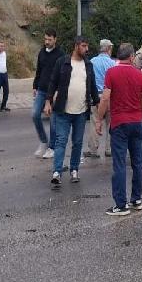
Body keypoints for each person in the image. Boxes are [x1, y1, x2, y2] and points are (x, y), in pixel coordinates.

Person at [96, 43, 142, 216]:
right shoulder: (140, 75)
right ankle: (137, 199)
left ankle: (121, 204)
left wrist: (98, 119)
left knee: (119, 164)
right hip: (136, 123)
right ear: (132, 57)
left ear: (118, 56)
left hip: (119, 124)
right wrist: (141, 118)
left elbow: (105, 99)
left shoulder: (111, 73)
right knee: (137, 163)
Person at [45, 36, 99, 187]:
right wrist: (48, 101)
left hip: (81, 112)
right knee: (61, 141)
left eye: (87, 46)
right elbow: (53, 82)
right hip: (63, 110)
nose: (86, 49)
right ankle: (57, 172)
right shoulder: (63, 62)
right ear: (76, 46)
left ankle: (74, 169)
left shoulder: (88, 65)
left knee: (77, 142)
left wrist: (97, 104)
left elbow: (92, 86)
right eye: (83, 46)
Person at [32, 29, 63, 159]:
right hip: (42, 89)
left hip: (53, 92)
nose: (47, 42)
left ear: (55, 39)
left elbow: (62, 74)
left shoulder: (60, 55)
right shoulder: (42, 52)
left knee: (53, 120)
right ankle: (43, 141)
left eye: (49, 39)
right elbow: (39, 70)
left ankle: (52, 147)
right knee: (34, 115)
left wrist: (57, 92)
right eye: (45, 39)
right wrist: (35, 85)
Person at [85, 39, 116, 158]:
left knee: (94, 121)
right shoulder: (112, 63)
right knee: (111, 122)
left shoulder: (92, 62)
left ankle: (93, 149)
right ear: (108, 49)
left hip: (95, 95)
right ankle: (109, 149)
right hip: (108, 95)